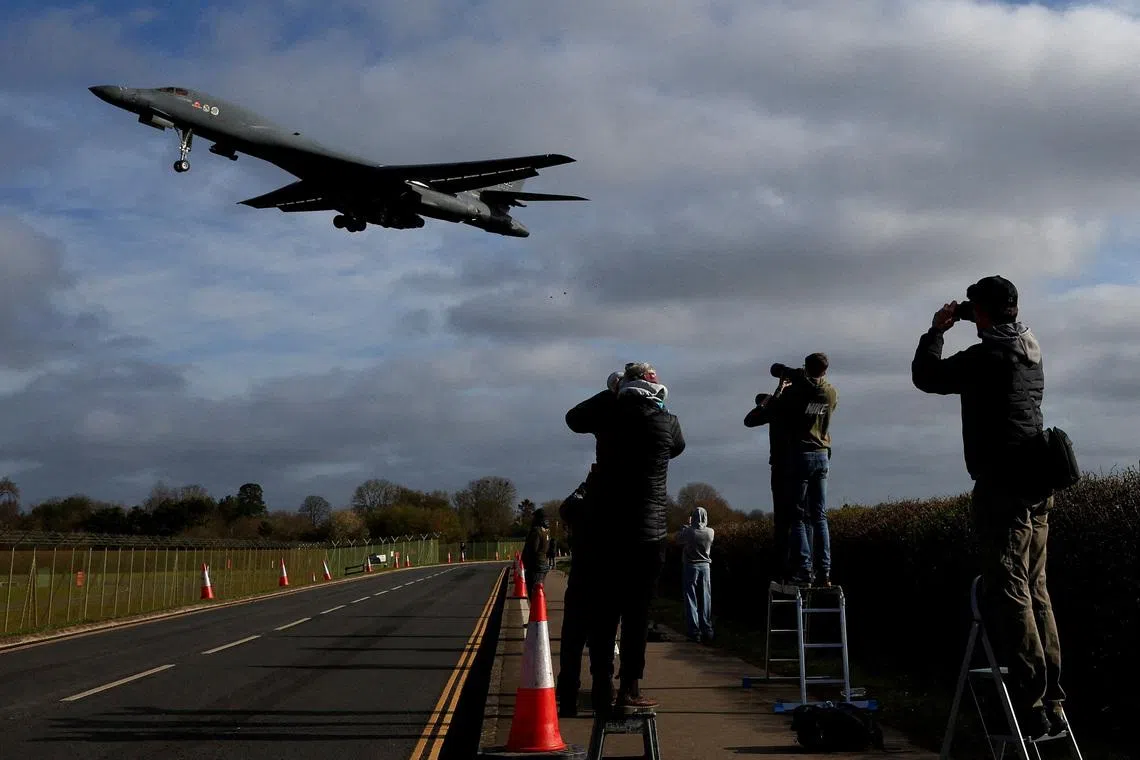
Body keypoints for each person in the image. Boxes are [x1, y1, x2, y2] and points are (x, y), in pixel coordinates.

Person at [911, 274, 1066, 739]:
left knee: (1009, 589)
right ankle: (1053, 701)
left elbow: (928, 378)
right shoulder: (1028, 349)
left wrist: (937, 329)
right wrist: (970, 314)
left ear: (981, 313)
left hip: (1003, 484)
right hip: (1039, 480)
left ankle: (1031, 703)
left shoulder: (988, 357)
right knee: (1036, 588)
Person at [568, 361, 685, 714]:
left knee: (603, 614)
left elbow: (574, 418)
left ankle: (601, 685)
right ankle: (629, 689)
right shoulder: (667, 421)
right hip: (648, 535)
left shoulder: (608, 414)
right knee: (637, 615)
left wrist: (611, 391)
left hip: (605, 532)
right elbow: (677, 447)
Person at [772, 354, 838, 587]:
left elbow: (781, 409)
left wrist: (789, 378)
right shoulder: (830, 392)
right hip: (823, 452)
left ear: (806, 369)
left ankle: (804, 570)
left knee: (797, 515)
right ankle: (825, 572)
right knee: (820, 516)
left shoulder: (799, 392)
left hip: (802, 453)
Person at [744, 377, 796, 582]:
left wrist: (773, 396)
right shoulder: (796, 408)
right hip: (800, 464)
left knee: (783, 520)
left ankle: (784, 568)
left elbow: (750, 420)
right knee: (803, 518)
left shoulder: (775, 410)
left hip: (781, 467)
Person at [678, 506, 715, 643]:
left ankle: (694, 631)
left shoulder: (689, 532)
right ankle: (707, 629)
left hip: (690, 566)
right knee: (706, 598)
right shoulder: (710, 532)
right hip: (706, 567)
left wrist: (686, 525)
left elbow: (678, 539)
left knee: (691, 599)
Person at [521, 508, 552, 599]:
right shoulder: (546, 531)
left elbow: (533, 549)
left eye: (534, 517)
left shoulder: (536, 531)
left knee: (534, 592)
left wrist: (525, 559)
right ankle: (539, 610)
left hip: (535, 565)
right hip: (543, 563)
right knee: (539, 589)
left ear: (538, 519)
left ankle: (537, 611)